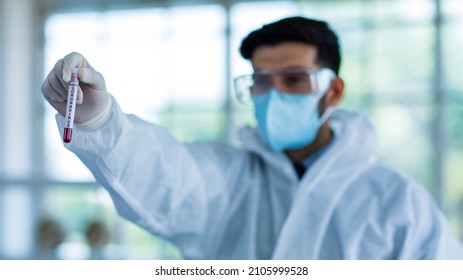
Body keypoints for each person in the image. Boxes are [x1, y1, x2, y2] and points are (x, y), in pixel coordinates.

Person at [41, 16, 463, 259]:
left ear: (333, 91)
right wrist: (100, 120)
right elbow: (166, 176)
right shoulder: (231, 179)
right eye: (261, 81)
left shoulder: (398, 204)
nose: (273, 94)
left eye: (294, 79)